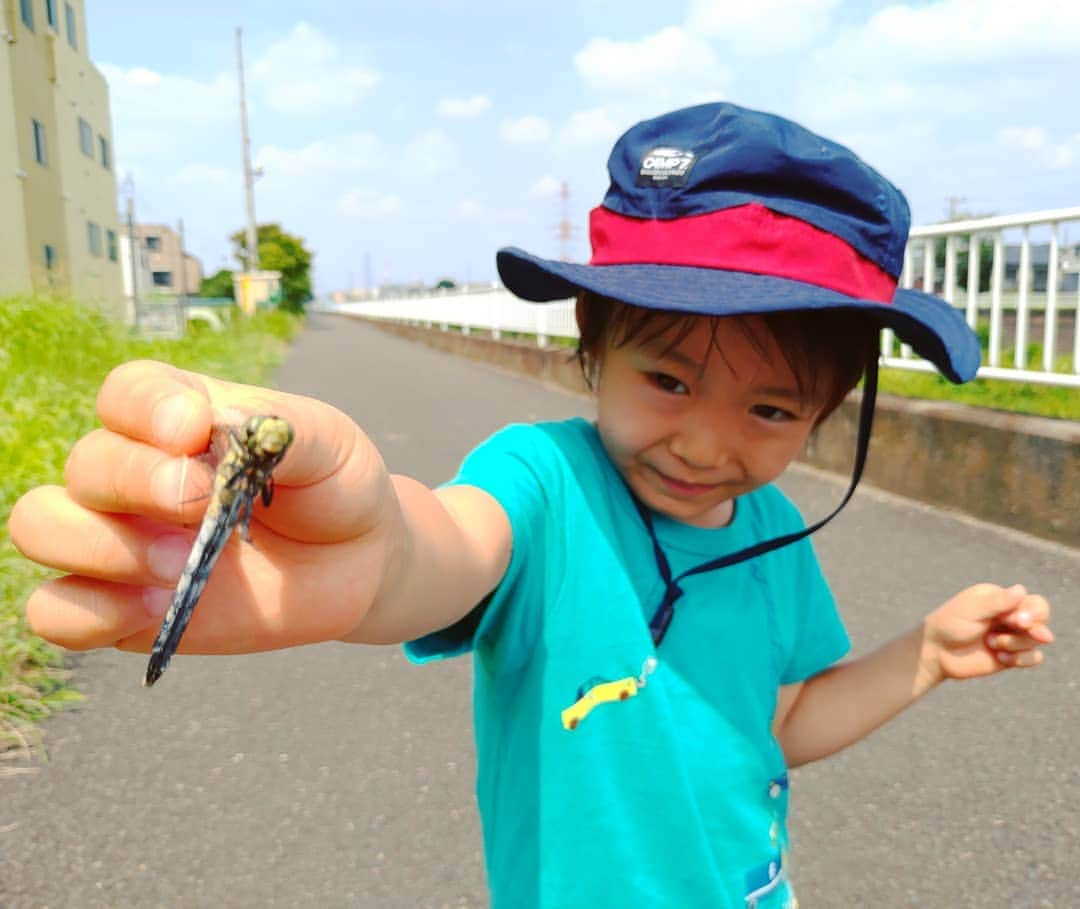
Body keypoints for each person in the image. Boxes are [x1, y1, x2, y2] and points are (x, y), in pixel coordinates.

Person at [10, 103, 1054, 908]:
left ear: (830, 415)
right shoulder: (544, 483)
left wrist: (922, 654)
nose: (704, 442)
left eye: (773, 407)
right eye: (669, 382)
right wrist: (374, 552)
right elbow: (446, 544)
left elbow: (773, 726)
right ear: (592, 350)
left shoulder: (774, 531)